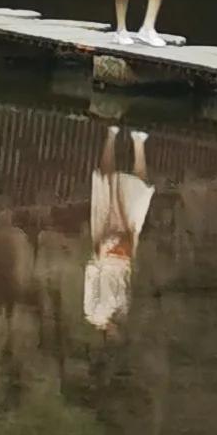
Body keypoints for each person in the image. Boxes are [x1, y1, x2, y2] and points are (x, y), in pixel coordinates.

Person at [83, 125, 153, 331]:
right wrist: (132, 255)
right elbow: (127, 282)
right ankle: (138, 142)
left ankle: (111, 136)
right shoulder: (124, 312)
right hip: (125, 255)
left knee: (106, 185)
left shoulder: (94, 314)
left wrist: (101, 252)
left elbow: (91, 278)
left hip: (105, 253)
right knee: (138, 199)